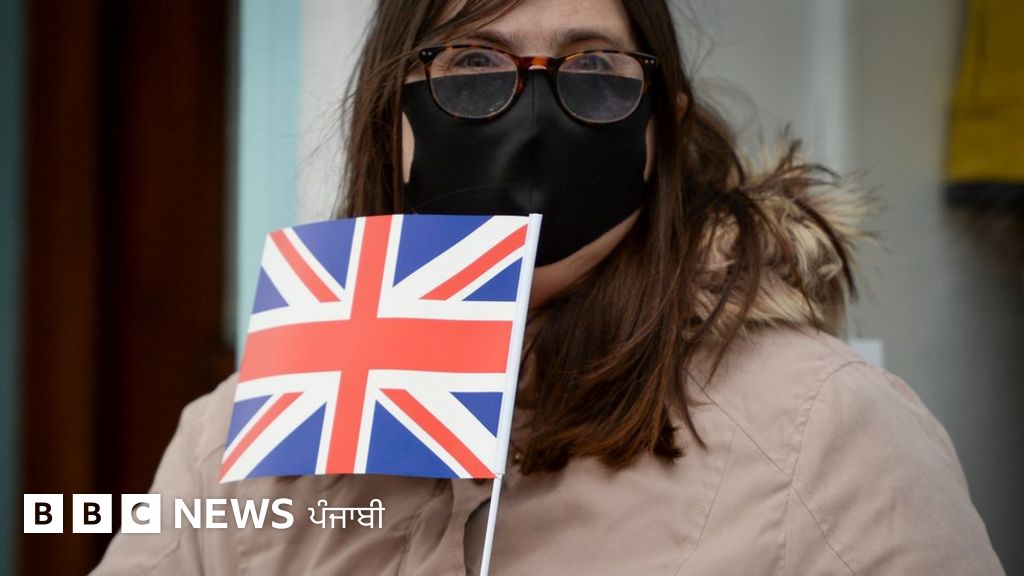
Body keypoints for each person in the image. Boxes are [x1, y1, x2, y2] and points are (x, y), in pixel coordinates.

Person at [92, 0, 1005, 574]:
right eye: (473, 63)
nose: (532, 118)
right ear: (391, 123)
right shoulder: (234, 442)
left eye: (595, 70)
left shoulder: (830, 432)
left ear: (659, 130)